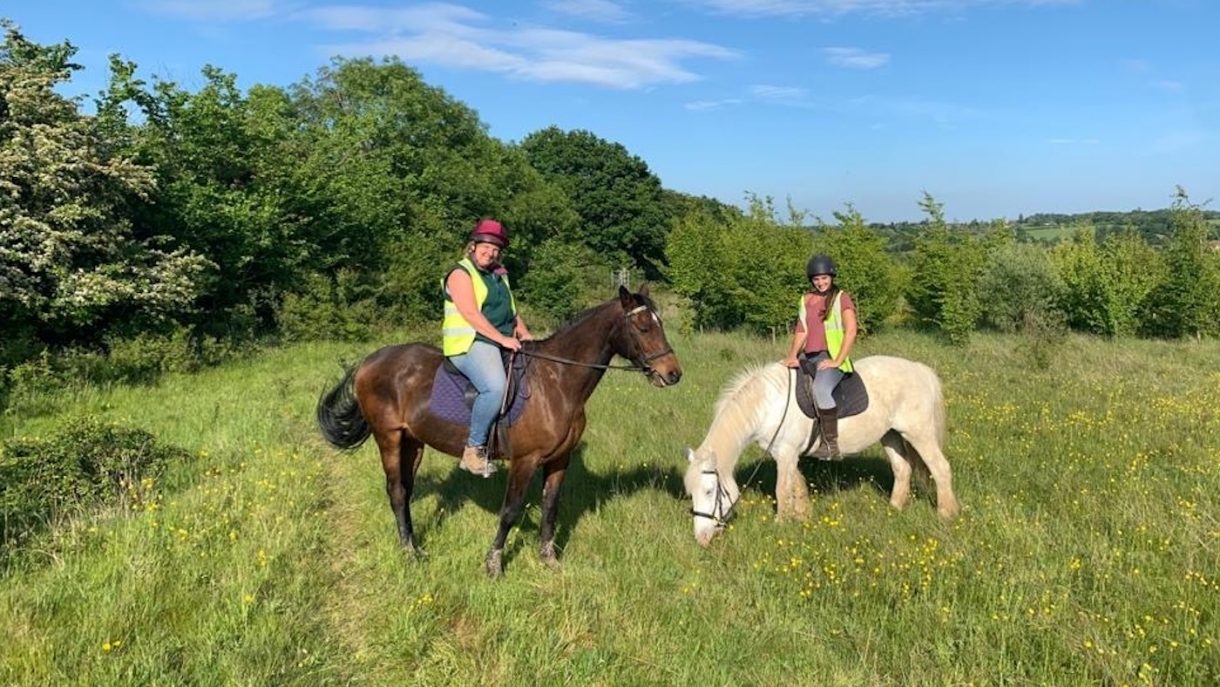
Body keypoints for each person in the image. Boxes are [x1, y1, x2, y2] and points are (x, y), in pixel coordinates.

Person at [441, 218, 533, 477]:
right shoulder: (460, 273)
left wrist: (524, 332)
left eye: (496, 249)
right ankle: (474, 449)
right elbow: (470, 313)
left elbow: (512, 312)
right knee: (495, 387)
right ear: (473, 246)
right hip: (471, 342)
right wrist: (502, 339)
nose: (490, 252)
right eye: (486, 246)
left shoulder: (499, 276)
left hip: (500, 338)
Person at [782, 254, 858, 460]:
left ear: (831, 277)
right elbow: (801, 331)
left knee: (821, 390)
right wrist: (791, 355)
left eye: (824, 278)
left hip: (832, 357)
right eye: (816, 279)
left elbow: (851, 331)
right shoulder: (806, 299)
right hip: (809, 357)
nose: (820, 282)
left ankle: (830, 444)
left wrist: (838, 360)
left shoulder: (841, 298)